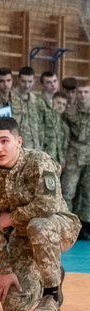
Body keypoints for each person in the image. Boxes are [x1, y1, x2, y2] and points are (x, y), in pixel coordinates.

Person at [0, 116, 80, 311]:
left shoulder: (38, 162)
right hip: (23, 237)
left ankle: (51, 294)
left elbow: (47, 205)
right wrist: (5, 269)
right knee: (13, 304)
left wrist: (12, 219)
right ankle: (51, 271)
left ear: (18, 141)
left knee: (39, 225)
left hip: (59, 226)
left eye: (4, 141)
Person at [60, 82, 90, 241]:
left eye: (86, 92)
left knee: (88, 194)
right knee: (68, 192)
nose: (83, 95)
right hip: (73, 154)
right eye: (80, 92)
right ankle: (67, 226)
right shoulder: (69, 112)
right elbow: (63, 133)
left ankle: (85, 226)